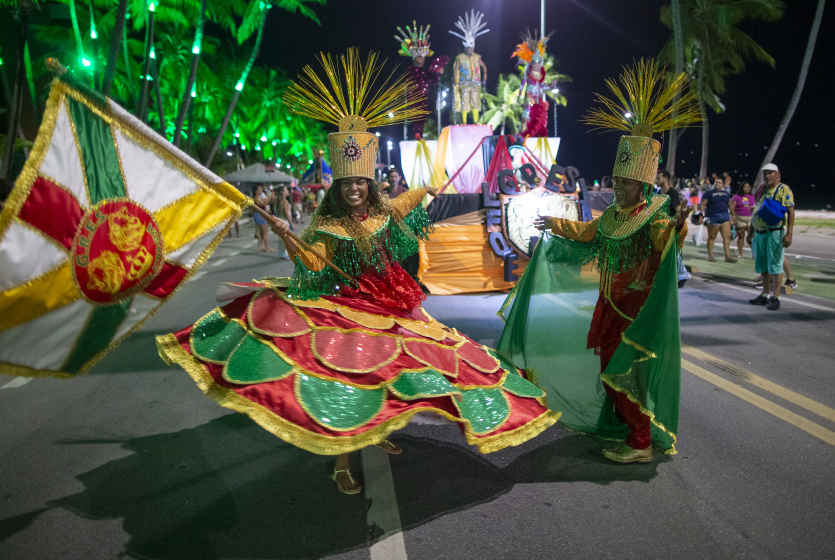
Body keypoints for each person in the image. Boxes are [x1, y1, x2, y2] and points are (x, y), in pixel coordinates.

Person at [157, 48, 559, 496]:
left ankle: (378, 430)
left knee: (397, 369)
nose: (353, 190)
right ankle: (341, 461)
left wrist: (426, 189)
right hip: (342, 308)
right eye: (347, 183)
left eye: (360, 183)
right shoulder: (328, 224)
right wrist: (290, 237)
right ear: (338, 185)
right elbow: (312, 263)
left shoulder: (383, 212)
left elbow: (406, 203)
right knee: (344, 377)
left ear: (369, 183)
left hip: (387, 303)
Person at [498, 58, 700, 463]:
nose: (618, 187)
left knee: (627, 375)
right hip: (609, 308)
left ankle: (640, 442)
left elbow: (666, 246)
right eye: (618, 180)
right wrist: (554, 223)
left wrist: (679, 226)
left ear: (640, 182)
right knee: (610, 374)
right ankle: (627, 431)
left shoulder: (654, 215)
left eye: (625, 182)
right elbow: (588, 234)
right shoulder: (612, 214)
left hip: (637, 313)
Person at [748, 163, 795, 311]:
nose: (767, 176)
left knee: (775, 265)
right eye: (765, 173)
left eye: (770, 173)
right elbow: (756, 211)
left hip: (774, 232)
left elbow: (790, 212)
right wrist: (750, 232)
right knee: (763, 265)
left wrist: (789, 233)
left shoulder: (783, 189)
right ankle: (765, 294)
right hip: (759, 233)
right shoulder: (761, 189)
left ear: (778, 175)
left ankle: (775, 297)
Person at [395, 22, 449, 140]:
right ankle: (415, 133)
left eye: (422, 57)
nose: (421, 59)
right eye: (418, 57)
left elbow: (433, 81)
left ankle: (419, 133)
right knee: (415, 115)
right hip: (413, 95)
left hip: (424, 96)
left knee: (422, 115)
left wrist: (439, 73)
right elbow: (405, 81)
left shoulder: (425, 71)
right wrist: (404, 90)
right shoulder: (409, 69)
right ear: (415, 58)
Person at [449, 10, 489, 125]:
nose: (470, 50)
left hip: (475, 83)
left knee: (475, 101)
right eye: (469, 48)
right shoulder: (460, 57)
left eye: (472, 48)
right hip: (464, 83)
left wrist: (485, 74)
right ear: (465, 48)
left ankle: (476, 120)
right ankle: (464, 121)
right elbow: (456, 68)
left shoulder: (477, 57)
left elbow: (484, 66)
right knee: (465, 102)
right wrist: (455, 79)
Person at [512, 30, 553, 137]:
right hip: (529, 97)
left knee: (539, 117)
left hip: (538, 98)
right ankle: (523, 133)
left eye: (538, 63)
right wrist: (520, 95)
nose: (536, 65)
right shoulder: (528, 71)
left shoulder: (540, 75)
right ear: (532, 63)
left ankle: (536, 133)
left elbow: (542, 86)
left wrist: (550, 86)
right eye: (535, 63)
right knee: (526, 115)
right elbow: (523, 83)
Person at [657, 169, 691, 287]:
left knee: (672, 251)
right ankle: (682, 275)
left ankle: (683, 275)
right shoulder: (658, 193)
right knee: (669, 251)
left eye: (658, 178)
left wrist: (677, 223)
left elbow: (678, 210)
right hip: (662, 227)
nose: (656, 180)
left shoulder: (673, 193)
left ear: (665, 179)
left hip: (673, 226)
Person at [701, 176, 735, 262]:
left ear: (722, 185)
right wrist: (701, 215)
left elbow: (730, 205)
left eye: (719, 182)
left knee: (726, 237)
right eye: (716, 182)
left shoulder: (726, 193)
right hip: (713, 216)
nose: (717, 184)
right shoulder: (708, 193)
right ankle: (711, 256)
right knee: (712, 237)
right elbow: (703, 204)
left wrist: (733, 215)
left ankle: (728, 257)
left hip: (725, 216)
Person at [730, 181, 755, 258]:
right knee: (741, 236)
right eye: (745, 187)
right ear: (742, 188)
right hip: (740, 219)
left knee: (752, 237)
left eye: (749, 187)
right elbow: (731, 207)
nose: (747, 188)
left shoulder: (753, 196)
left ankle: (754, 254)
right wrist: (733, 217)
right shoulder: (736, 197)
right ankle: (740, 254)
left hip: (750, 219)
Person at [252, 185, 274, 253]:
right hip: (259, 215)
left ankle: (259, 247)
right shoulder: (256, 198)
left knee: (261, 233)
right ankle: (267, 248)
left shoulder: (260, 197)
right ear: (256, 191)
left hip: (261, 215)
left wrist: (270, 197)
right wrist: (270, 196)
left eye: (261, 189)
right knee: (265, 232)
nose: (261, 191)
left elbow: (267, 201)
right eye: (259, 189)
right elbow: (264, 204)